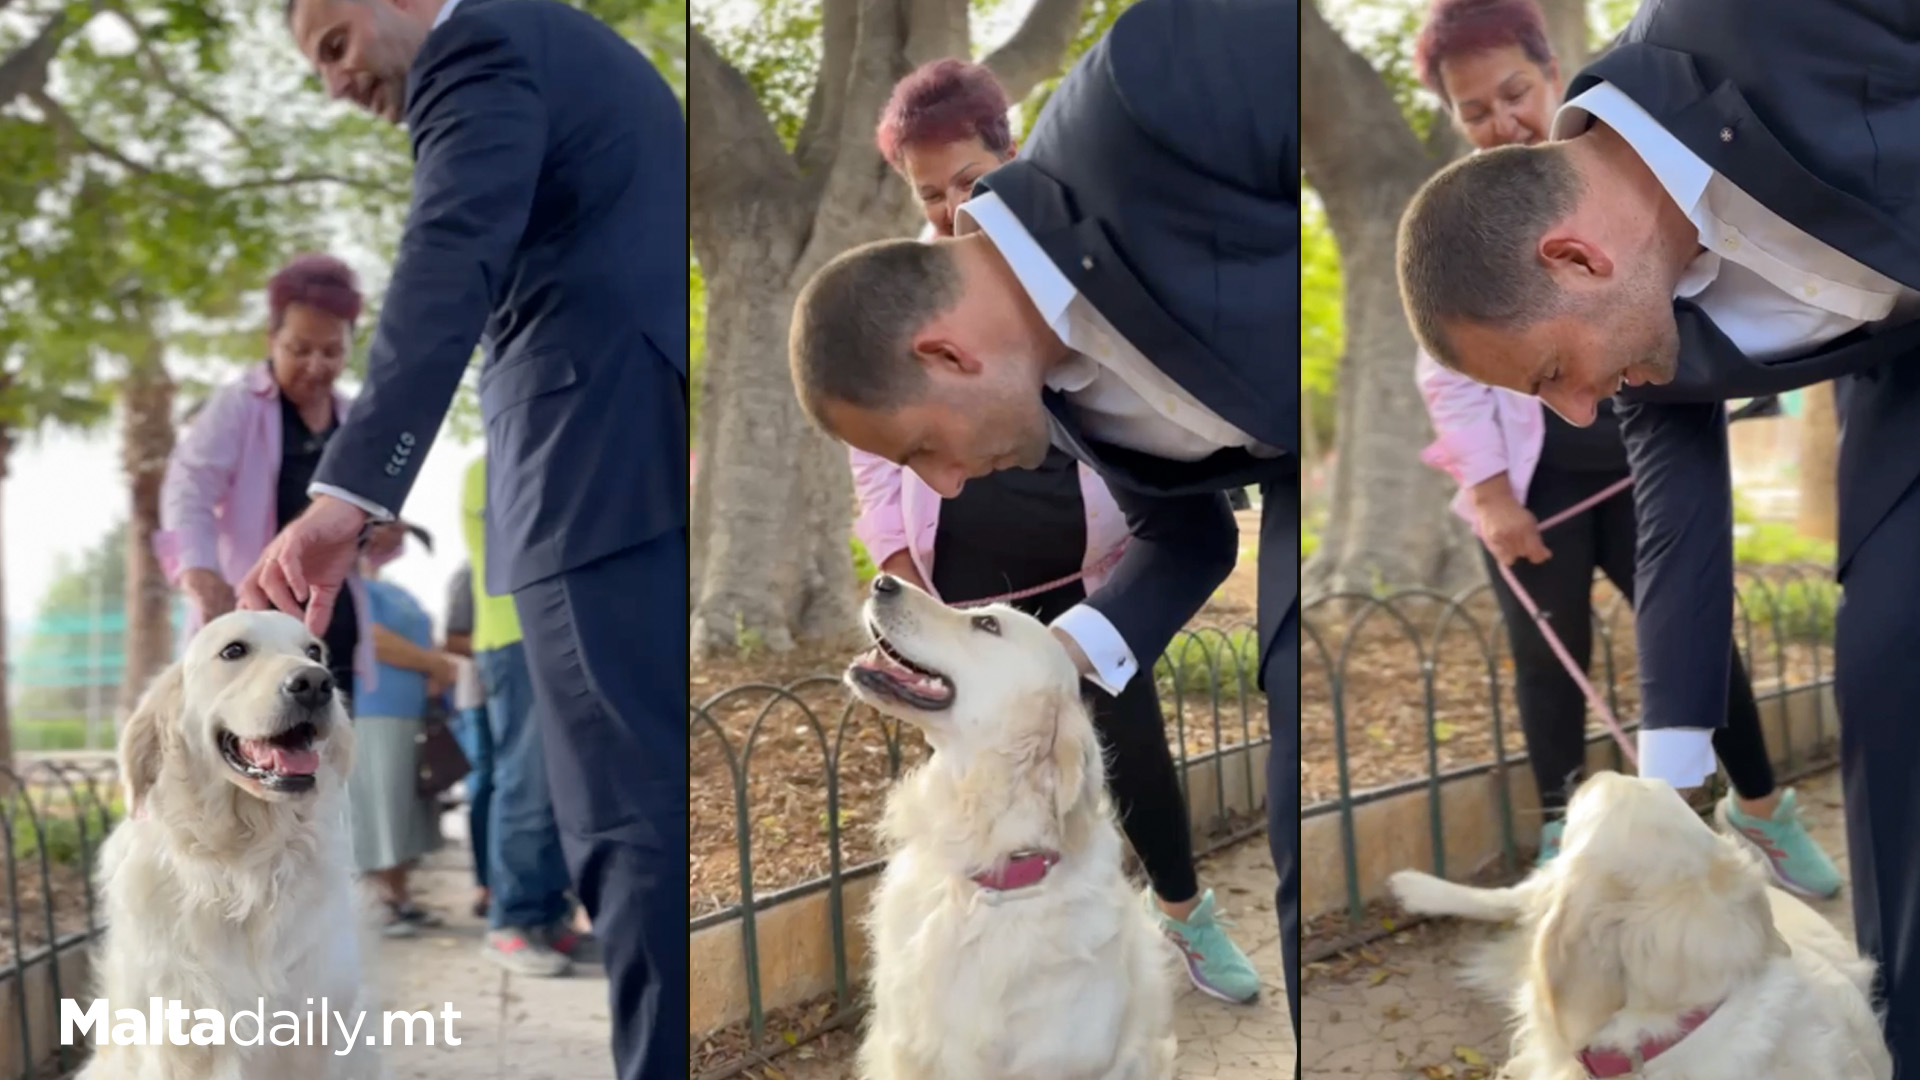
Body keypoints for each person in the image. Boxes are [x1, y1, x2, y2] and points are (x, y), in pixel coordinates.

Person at [1394, 0, 1920, 1064]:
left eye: (1551, 377)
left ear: (1576, 258)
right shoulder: (1639, 338)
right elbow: (1678, 529)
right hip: (1903, 392)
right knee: (1888, 662)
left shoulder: (1748, 21)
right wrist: (1670, 789)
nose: (1578, 413)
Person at [787, 0, 1299, 1036]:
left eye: (924, 447)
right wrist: (1064, 659)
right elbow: (1189, 529)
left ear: (943, 357)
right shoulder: (1057, 393)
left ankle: (1187, 915)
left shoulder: (1153, 80)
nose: (943, 480)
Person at [254, 1, 687, 1075]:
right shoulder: (556, 45)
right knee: (629, 805)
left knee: (623, 820)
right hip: (624, 444)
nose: (335, 85)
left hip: (584, 459)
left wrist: (346, 490)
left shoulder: (479, 47)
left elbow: (448, 258)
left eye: (336, 46)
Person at [1407, 0, 1840, 889]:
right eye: (1475, 111)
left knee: (1695, 632)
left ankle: (1758, 810)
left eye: (1513, 93)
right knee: (1549, 663)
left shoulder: (1627, 180)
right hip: (1537, 490)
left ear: (1551, 75)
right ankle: (1569, 838)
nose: (1501, 121)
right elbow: (1450, 378)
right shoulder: (1461, 241)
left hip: (1645, 475)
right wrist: (1492, 494)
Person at [154, 254, 403, 700]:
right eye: (299, 350)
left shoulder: (354, 422)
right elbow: (188, 487)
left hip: (329, 625)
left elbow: (372, 521)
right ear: (272, 340)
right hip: (247, 619)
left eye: (332, 352)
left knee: (328, 757)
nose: (316, 365)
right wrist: (198, 568)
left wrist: (384, 535)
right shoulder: (238, 407)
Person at [461, 453, 580, 976]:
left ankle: (548, 916)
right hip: (516, 637)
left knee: (558, 786)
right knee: (526, 782)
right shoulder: (493, 465)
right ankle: (510, 923)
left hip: (556, 634)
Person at [348, 530, 456, 935]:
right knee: (378, 808)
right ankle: (375, 902)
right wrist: (432, 663)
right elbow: (371, 639)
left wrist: (433, 666)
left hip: (411, 712)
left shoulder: (394, 591)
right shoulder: (351, 586)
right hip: (374, 710)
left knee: (406, 809)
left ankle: (399, 894)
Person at [443, 561, 492, 921]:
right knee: (484, 790)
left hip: (520, 702)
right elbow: (454, 640)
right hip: (479, 702)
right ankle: (485, 885)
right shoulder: (468, 573)